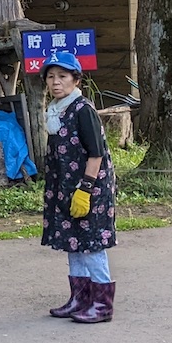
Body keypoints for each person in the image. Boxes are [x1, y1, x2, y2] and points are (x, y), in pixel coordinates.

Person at [39, 50, 117, 323]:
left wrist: (85, 189)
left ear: (76, 80)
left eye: (62, 76)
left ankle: (102, 304)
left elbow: (95, 154)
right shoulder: (56, 110)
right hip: (64, 188)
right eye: (51, 77)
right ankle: (80, 299)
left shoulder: (83, 110)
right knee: (72, 242)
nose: (56, 82)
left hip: (89, 188)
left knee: (91, 244)